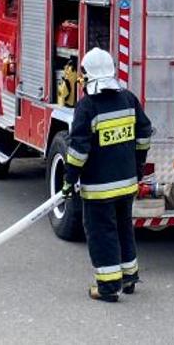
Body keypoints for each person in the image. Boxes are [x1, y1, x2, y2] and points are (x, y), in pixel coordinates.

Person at [62, 48, 152, 302]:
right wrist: (138, 166)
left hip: (99, 188)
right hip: (127, 184)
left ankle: (109, 287)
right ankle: (129, 277)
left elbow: (78, 150)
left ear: (87, 74)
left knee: (102, 233)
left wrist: (69, 180)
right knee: (124, 228)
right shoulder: (128, 99)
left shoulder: (88, 106)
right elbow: (144, 134)